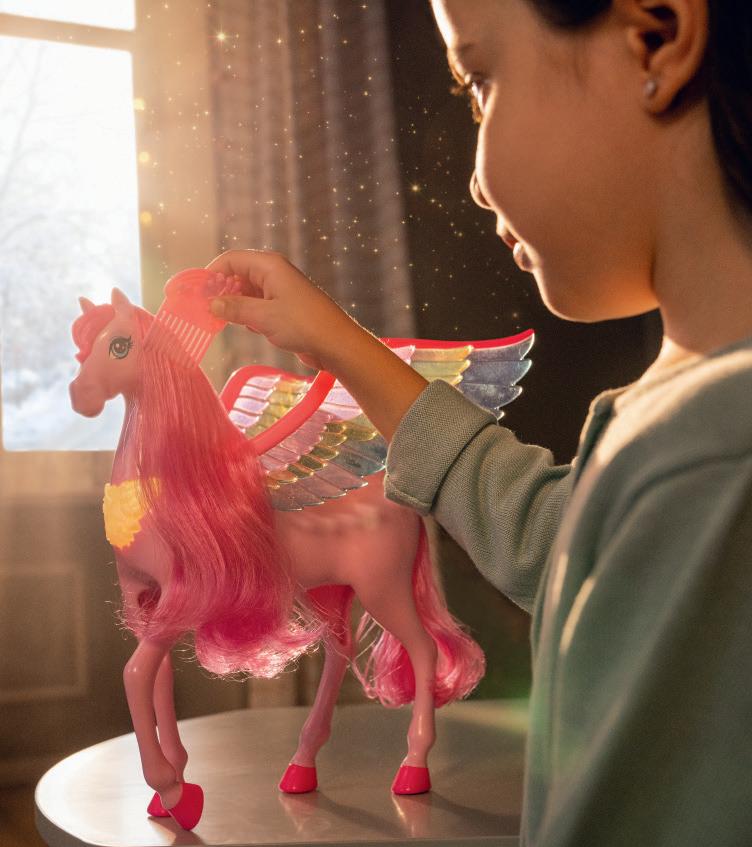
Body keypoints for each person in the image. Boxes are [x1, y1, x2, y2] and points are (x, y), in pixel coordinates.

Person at [205, 0, 752, 843]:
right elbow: (555, 535)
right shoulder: (696, 441)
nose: (471, 180)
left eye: (480, 81)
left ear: (657, 35)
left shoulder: (711, 460)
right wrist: (335, 341)